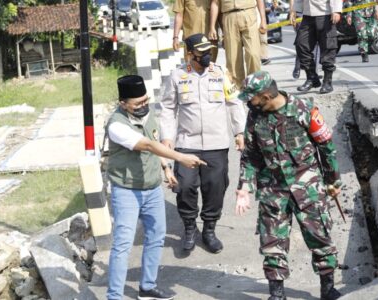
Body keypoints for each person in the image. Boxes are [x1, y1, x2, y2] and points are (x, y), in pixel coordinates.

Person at [235, 70, 343, 300]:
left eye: (251, 98)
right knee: (272, 241)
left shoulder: (303, 109)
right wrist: (244, 186)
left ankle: (328, 288)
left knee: (320, 237)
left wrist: (333, 180)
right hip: (272, 188)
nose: (248, 102)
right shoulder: (255, 116)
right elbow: (250, 155)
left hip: (308, 185)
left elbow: (326, 145)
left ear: (265, 96)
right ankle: (276, 294)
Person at [106, 75, 207, 300]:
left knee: (156, 237)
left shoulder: (147, 114)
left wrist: (167, 169)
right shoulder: (116, 125)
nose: (144, 106)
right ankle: (114, 296)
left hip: (152, 189)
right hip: (127, 191)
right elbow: (148, 144)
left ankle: (147, 287)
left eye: (146, 100)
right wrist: (181, 157)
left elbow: (155, 141)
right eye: (138, 103)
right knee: (123, 244)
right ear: (123, 103)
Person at [160, 33, 247, 254]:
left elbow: (234, 102)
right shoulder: (177, 76)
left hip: (216, 143)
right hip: (186, 143)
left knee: (215, 188)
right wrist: (167, 138)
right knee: (185, 186)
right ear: (190, 54)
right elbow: (168, 109)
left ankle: (209, 229)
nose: (207, 55)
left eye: (209, 51)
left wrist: (239, 131)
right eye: (202, 52)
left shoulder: (219, 73)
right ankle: (190, 227)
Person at [208, 0, 267, 88]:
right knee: (233, 59)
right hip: (229, 17)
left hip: (248, 13)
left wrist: (263, 19)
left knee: (253, 54)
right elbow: (215, 3)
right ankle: (238, 90)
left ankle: (254, 87)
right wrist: (212, 26)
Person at [290, 0, 342, 94]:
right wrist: (294, 10)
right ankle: (312, 78)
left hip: (325, 13)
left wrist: (336, 10)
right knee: (301, 44)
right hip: (307, 15)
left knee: (328, 48)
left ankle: (327, 82)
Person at [290, 0, 320, 83]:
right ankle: (297, 66)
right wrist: (292, 11)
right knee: (302, 43)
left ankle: (315, 72)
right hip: (300, 14)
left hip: (316, 12)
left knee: (316, 45)